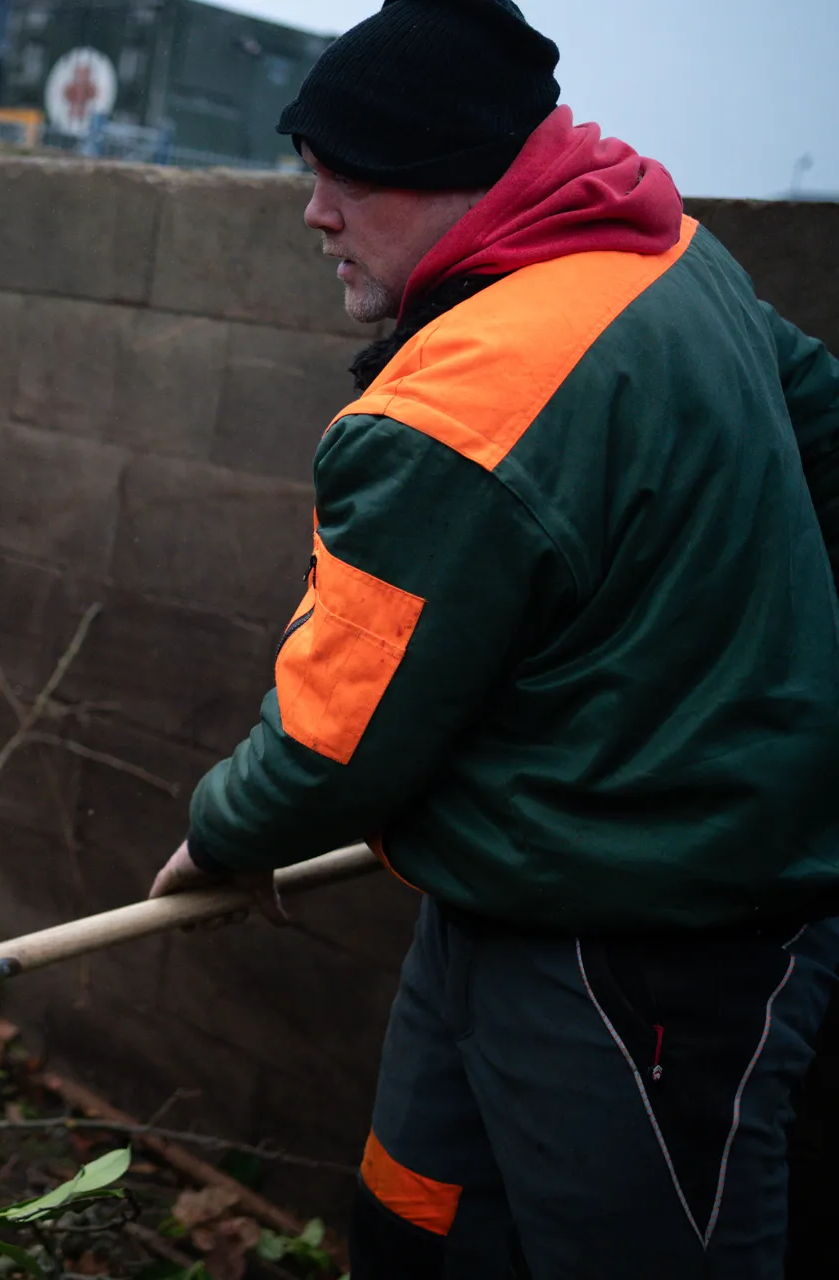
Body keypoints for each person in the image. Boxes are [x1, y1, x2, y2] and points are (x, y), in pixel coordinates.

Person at [145, 0, 839, 1274]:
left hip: (650, 949)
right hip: (496, 888)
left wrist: (220, 837)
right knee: (421, 1218)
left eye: (344, 178)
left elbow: (329, 743)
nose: (316, 212)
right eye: (311, 172)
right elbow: (826, 435)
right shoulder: (673, 256)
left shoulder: (452, 413)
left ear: (455, 176)